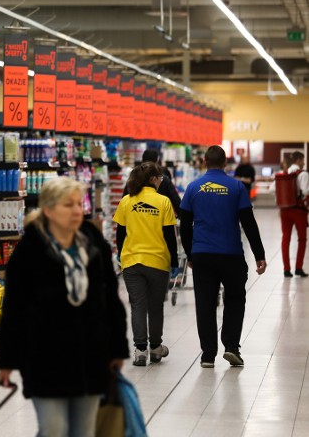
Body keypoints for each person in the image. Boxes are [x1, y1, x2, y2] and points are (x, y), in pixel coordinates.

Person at [0, 177, 129, 437]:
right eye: (67, 205)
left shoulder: (93, 243)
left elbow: (111, 297)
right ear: (48, 209)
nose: (76, 211)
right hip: (44, 357)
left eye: (78, 204)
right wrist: (7, 360)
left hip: (91, 354)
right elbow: (14, 308)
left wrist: (117, 347)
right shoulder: (30, 250)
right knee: (52, 431)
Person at [179, 145, 266, 368]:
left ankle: (208, 355)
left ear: (205, 162)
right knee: (235, 299)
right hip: (231, 255)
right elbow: (249, 222)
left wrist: (190, 254)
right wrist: (259, 254)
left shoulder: (193, 188)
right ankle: (231, 347)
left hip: (202, 255)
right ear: (225, 163)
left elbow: (185, 226)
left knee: (205, 303)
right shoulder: (236, 187)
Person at [114, 162, 179, 367]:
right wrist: (175, 260)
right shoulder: (164, 202)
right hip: (157, 261)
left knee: (138, 306)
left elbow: (120, 233)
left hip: (132, 261)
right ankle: (156, 348)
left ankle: (140, 350)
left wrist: (120, 255)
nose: (161, 181)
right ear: (153, 179)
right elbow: (170, 235)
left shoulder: (126, 201)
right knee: (155, 307)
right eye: (160, 178)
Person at [123, 149, 181, 214]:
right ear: (157, 161)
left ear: (142, 161)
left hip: (135, 218)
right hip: (159, 218)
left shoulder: (134, 177)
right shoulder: (164, 179)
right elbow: (177, 202)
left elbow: (124, 200)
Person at [281, 151, 309, 278]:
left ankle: (286, 269)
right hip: (299, 211)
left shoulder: (284, 173)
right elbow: (305, 191)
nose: (304, 163)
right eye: (303, 160)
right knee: (302, 239)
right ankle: (298, 268)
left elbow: (272, 189)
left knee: (286, 238)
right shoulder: (303, 174)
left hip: (284, 210)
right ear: (298, 160)